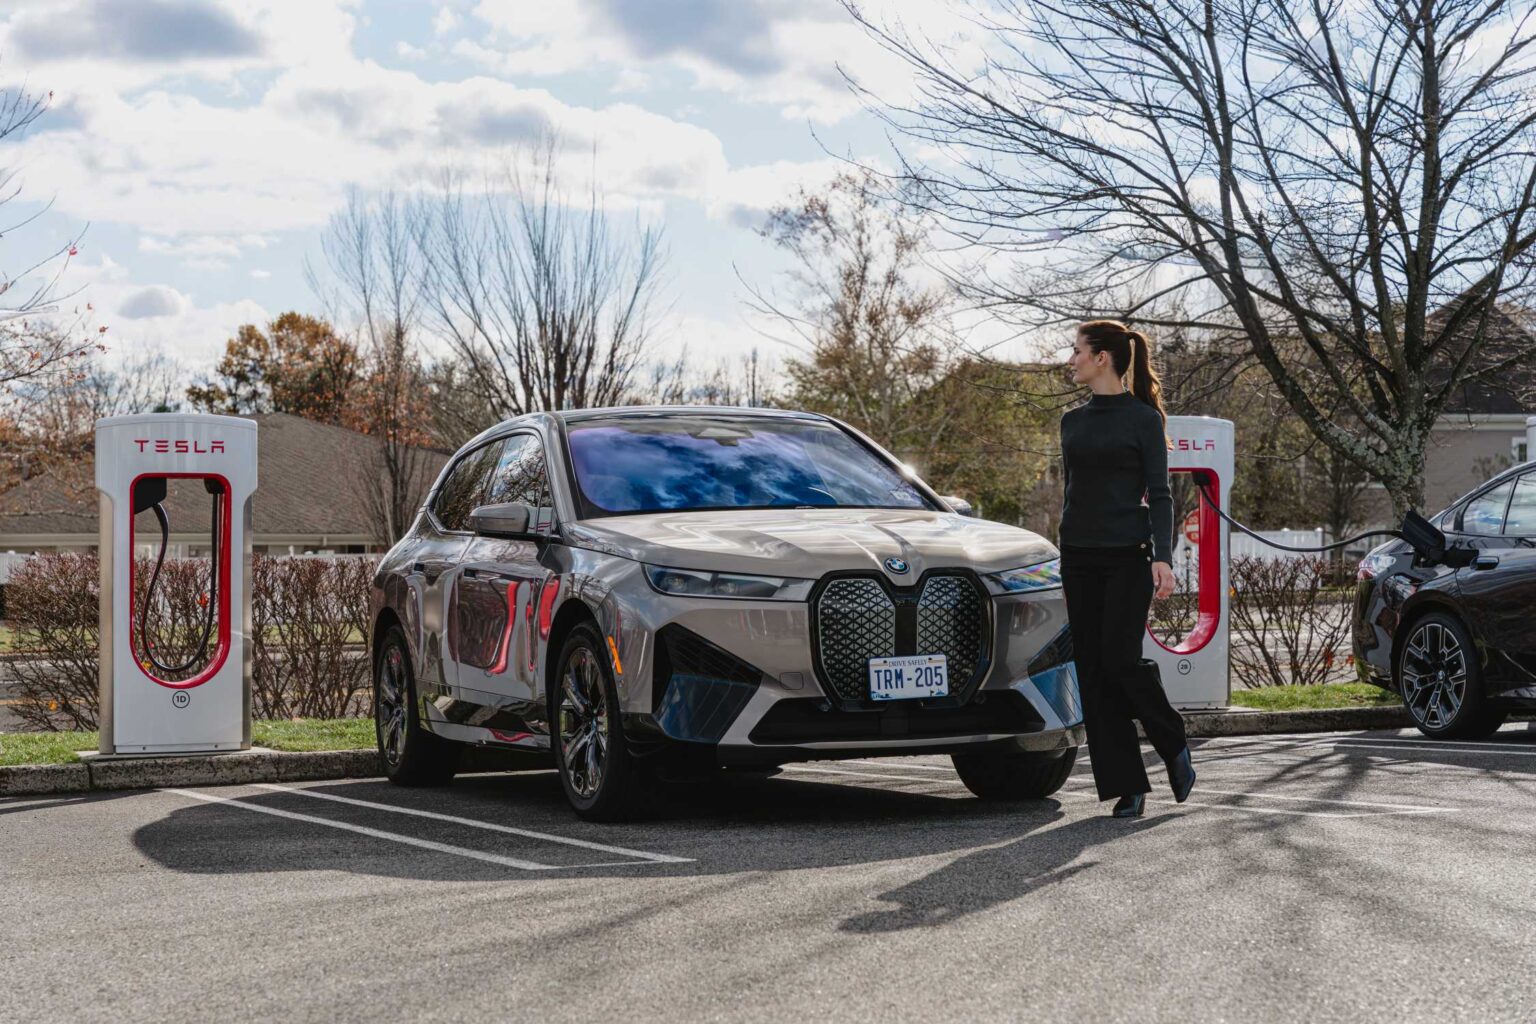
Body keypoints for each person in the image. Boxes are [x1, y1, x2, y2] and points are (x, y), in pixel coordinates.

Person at [1059, 320, 1195, 818]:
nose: (1070, 359)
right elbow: (1075, 491)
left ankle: (1172, 741)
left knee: (1120, 660)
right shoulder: (1071, 422)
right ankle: (1126, 786)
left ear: (1102, 358)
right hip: (1078, 557)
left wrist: (1162, 556)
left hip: (1128, 557)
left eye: (1077, 351)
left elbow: (1160, 494)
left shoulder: (1143, 419)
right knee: (1093, 672)